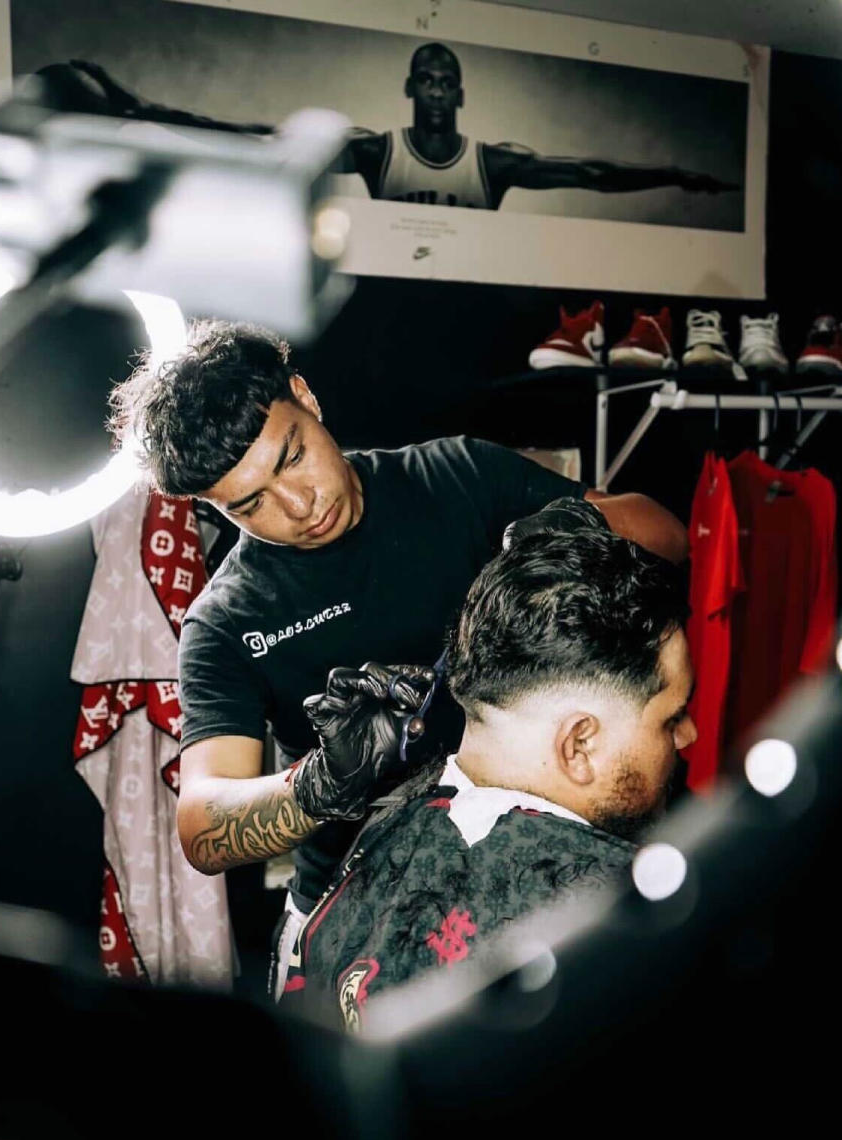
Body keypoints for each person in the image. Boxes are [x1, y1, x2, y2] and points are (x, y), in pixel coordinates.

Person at [107, 319, 688, 996]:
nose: (299, 505)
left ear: (306, 397)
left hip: (534, 856)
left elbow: (668, 535)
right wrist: (322, 783)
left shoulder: (455, 476)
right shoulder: (227, 620)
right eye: (250, 503)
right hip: (359, 903)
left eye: (291, 456)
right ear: (212, 506)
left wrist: (584, 527)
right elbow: (202, 828)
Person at [282, 511, 697, 1027]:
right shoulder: (622, 928)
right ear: (580, 745)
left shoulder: (391, 827)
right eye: (671, 718)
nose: (689, 736)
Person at [342, 41, 738, 209]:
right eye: (427, 81)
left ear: (460, 95)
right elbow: (292, 145)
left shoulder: (492, 162)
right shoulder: (377, 151)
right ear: (411, 87)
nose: (437, 93)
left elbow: (590, 174)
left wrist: (673, 174)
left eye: (447, 84)